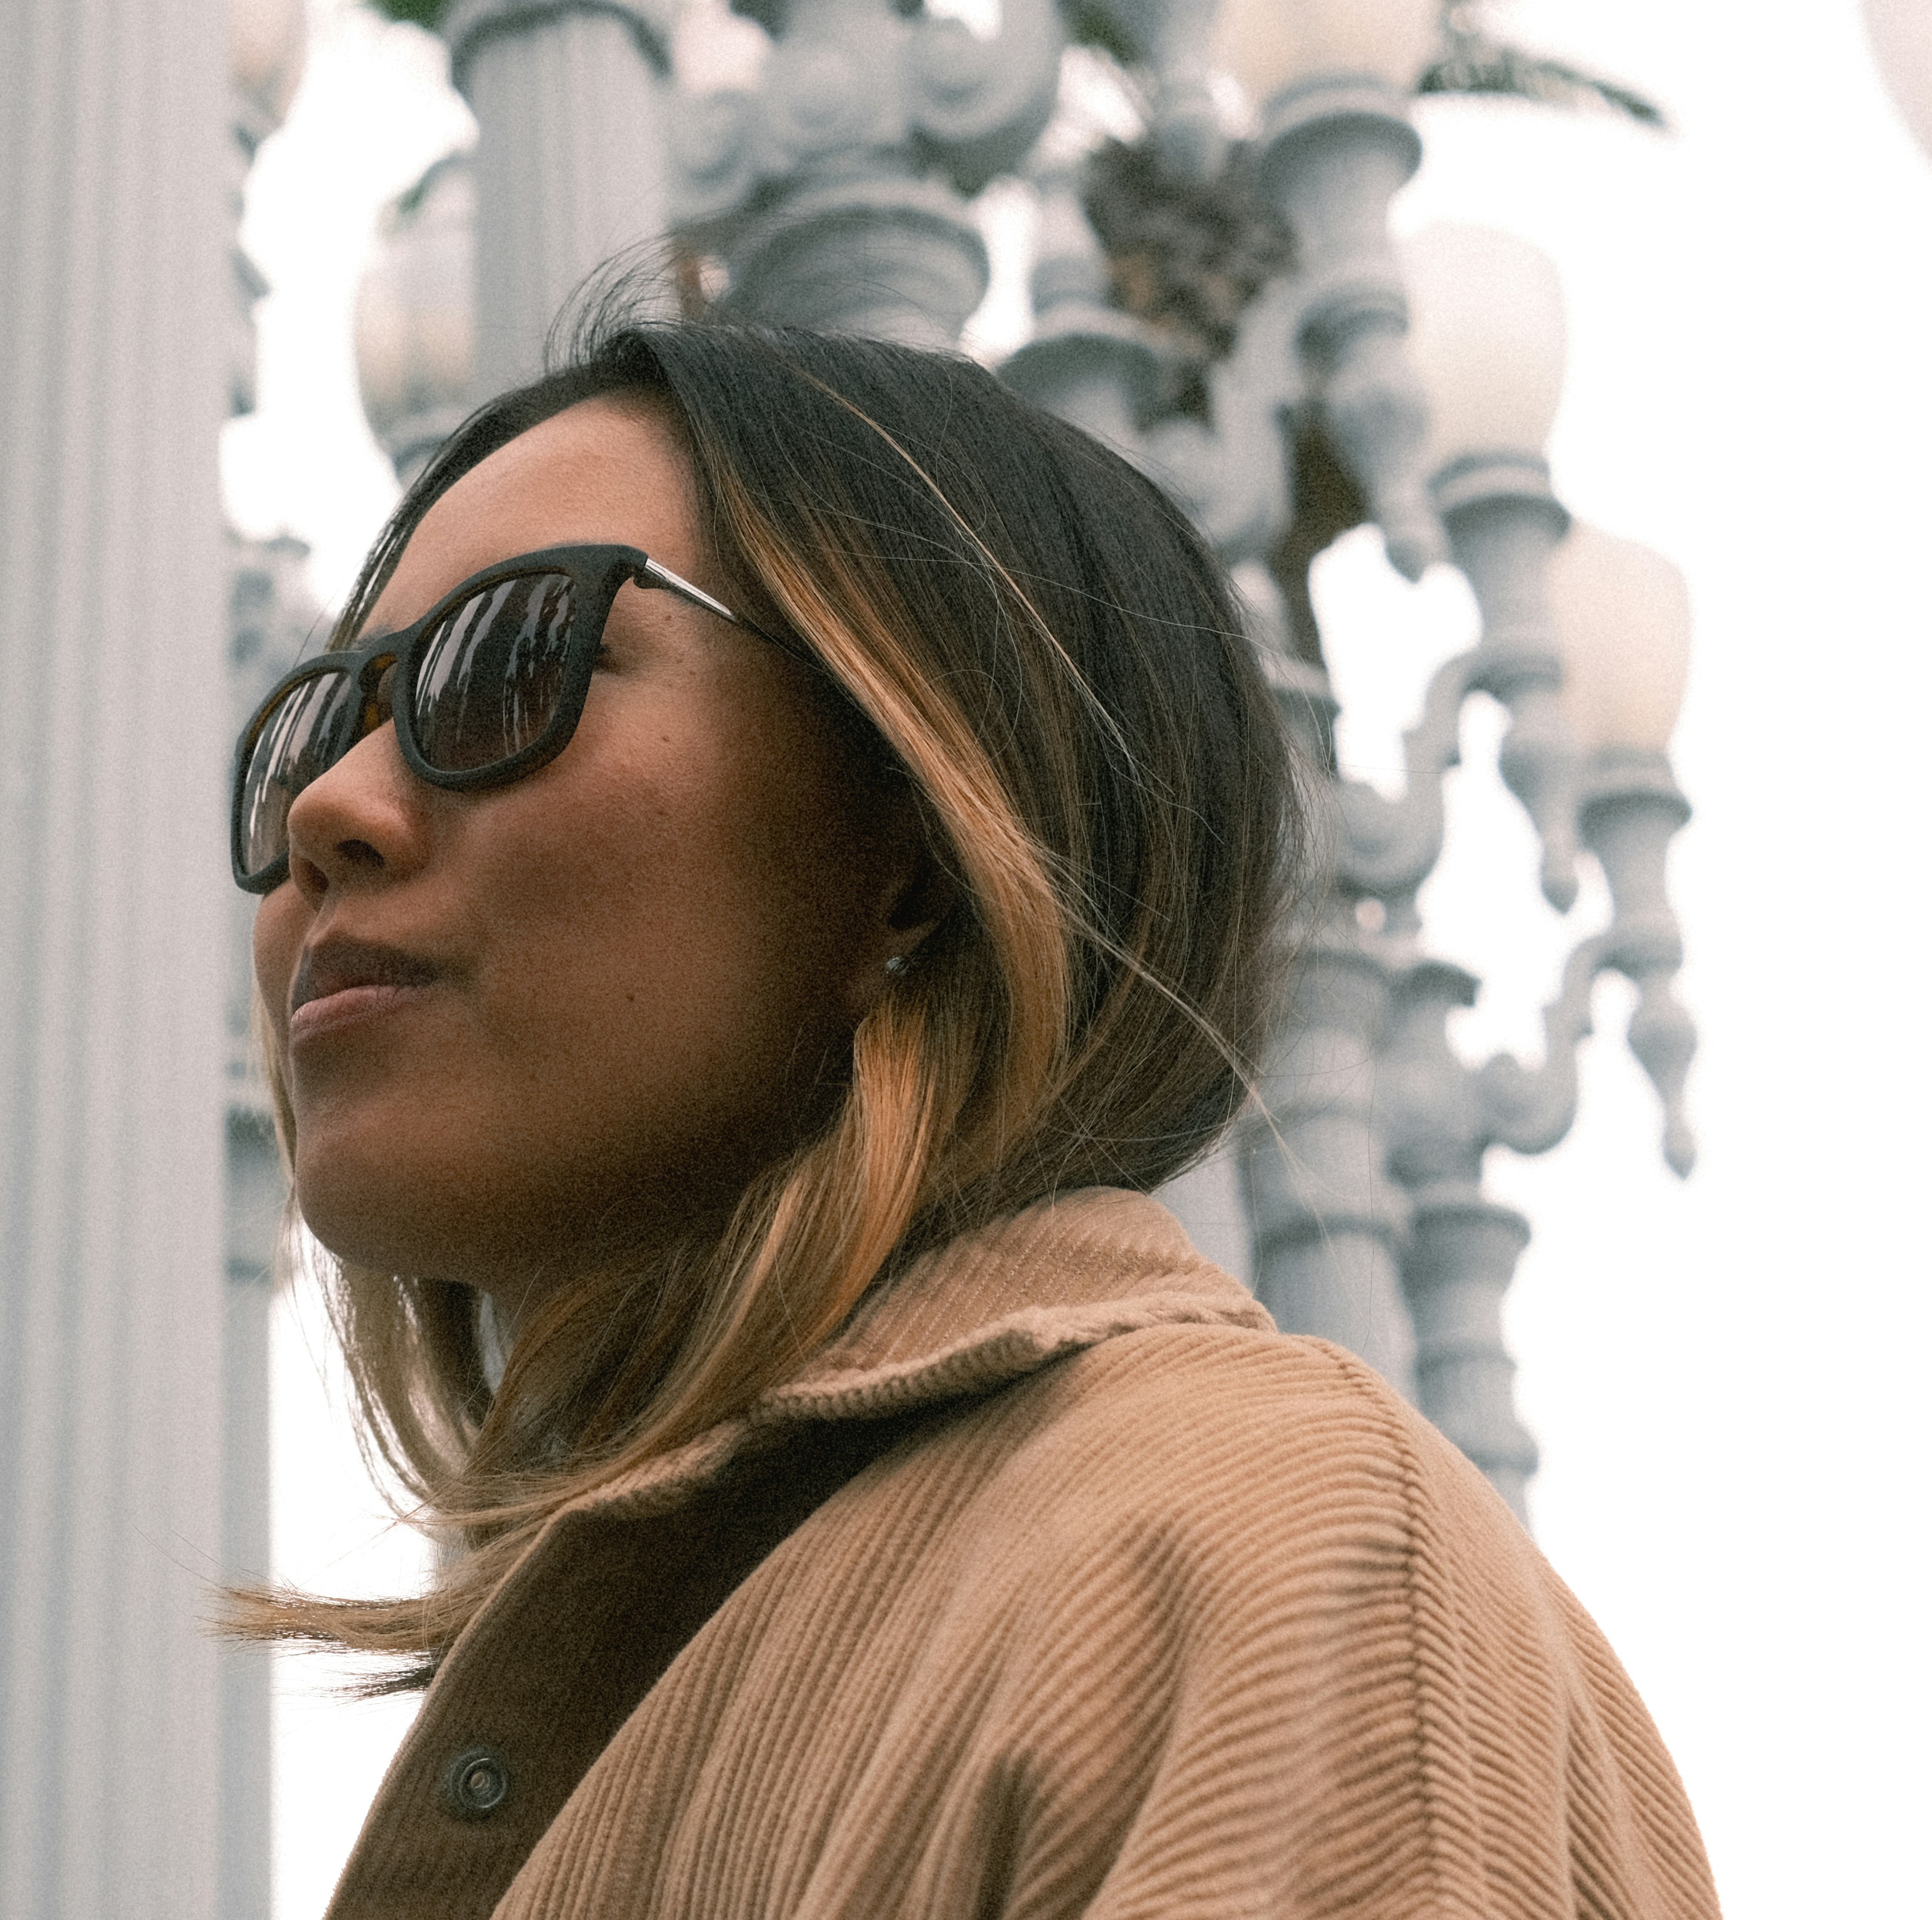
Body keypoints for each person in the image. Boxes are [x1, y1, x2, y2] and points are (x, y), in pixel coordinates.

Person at [228, 319, 1715, 1919]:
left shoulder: (1240, 1547)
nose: (329, 806)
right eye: (318, 721)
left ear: (927, 835)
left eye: (511, 661)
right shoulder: (619, 1705)